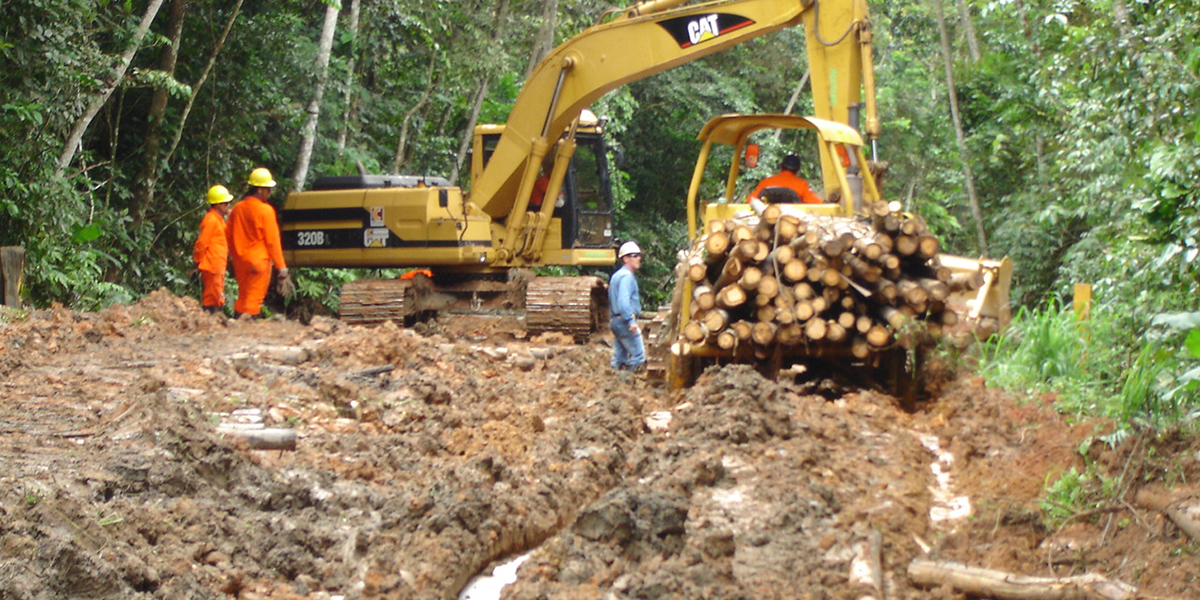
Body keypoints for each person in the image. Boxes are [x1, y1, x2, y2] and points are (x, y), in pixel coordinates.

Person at [227, 167, 289, 319]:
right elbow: (273, 241)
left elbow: (228, 234)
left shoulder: (237, 209)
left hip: (240, 260)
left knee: (242, 296)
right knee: (254, 299)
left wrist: (234, 255)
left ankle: (236, 325)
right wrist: (281, 267)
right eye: (268, 189)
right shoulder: (266, 211)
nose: (269, 193)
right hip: (258, 262)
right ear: (260, 189)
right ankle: (248, 329)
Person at [193, 185, 234, 314]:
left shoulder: (219, 220)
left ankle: (214, 318)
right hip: (212, 265)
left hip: (217, 264)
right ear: (217, 205)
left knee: (216, 292)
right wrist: (197, 262)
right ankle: (210, 319)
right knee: (212, 295)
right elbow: (202, 243)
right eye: (225, 203)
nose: (228, 205)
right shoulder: (211, 220)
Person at [609, 241, 645, 375]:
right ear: (625, 259)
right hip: (625, 322)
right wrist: (631, 321)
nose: (638, 258)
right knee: (638, 356)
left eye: (639, 255)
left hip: (616, 321)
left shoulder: (617, 275)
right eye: (634, 255)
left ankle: (613, 383)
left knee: (619, 358)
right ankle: (628, 386)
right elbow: (623, 301)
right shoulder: (626, 277)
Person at [747, 154, 822, 204]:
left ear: (781, 167)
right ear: (797, 170)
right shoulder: (801, 184)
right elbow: (816, 203)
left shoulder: (766, 182)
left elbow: (751, 200)